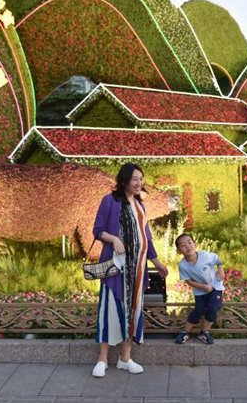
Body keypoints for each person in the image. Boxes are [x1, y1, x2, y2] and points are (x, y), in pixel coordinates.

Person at [90, 162, 168, 378]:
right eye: (135, 179)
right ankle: (102, 359)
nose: (139, 183)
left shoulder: (140, 205)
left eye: (141, 179)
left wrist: (157, 262)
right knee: (109, 310)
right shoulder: (110, 201)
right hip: (115, 268)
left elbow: (147, 238)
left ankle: (125, 358)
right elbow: (97, 230)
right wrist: (114, 239)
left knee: (133, 311)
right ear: (124, 180)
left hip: (138, 269)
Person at [173, 233, 225, 345]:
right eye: (183, 245)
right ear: (179, 251)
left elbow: (218, 259)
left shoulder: (205, 256)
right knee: (199, 310)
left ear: (195, 244)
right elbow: (189, 281)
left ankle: (204, 332)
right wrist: (204, 287)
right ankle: (185, 332)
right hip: (200, 291)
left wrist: (220, 269)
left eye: (189, 242)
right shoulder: (182, 265)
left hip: (215, 286)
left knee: (213, 308)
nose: (187, 246)